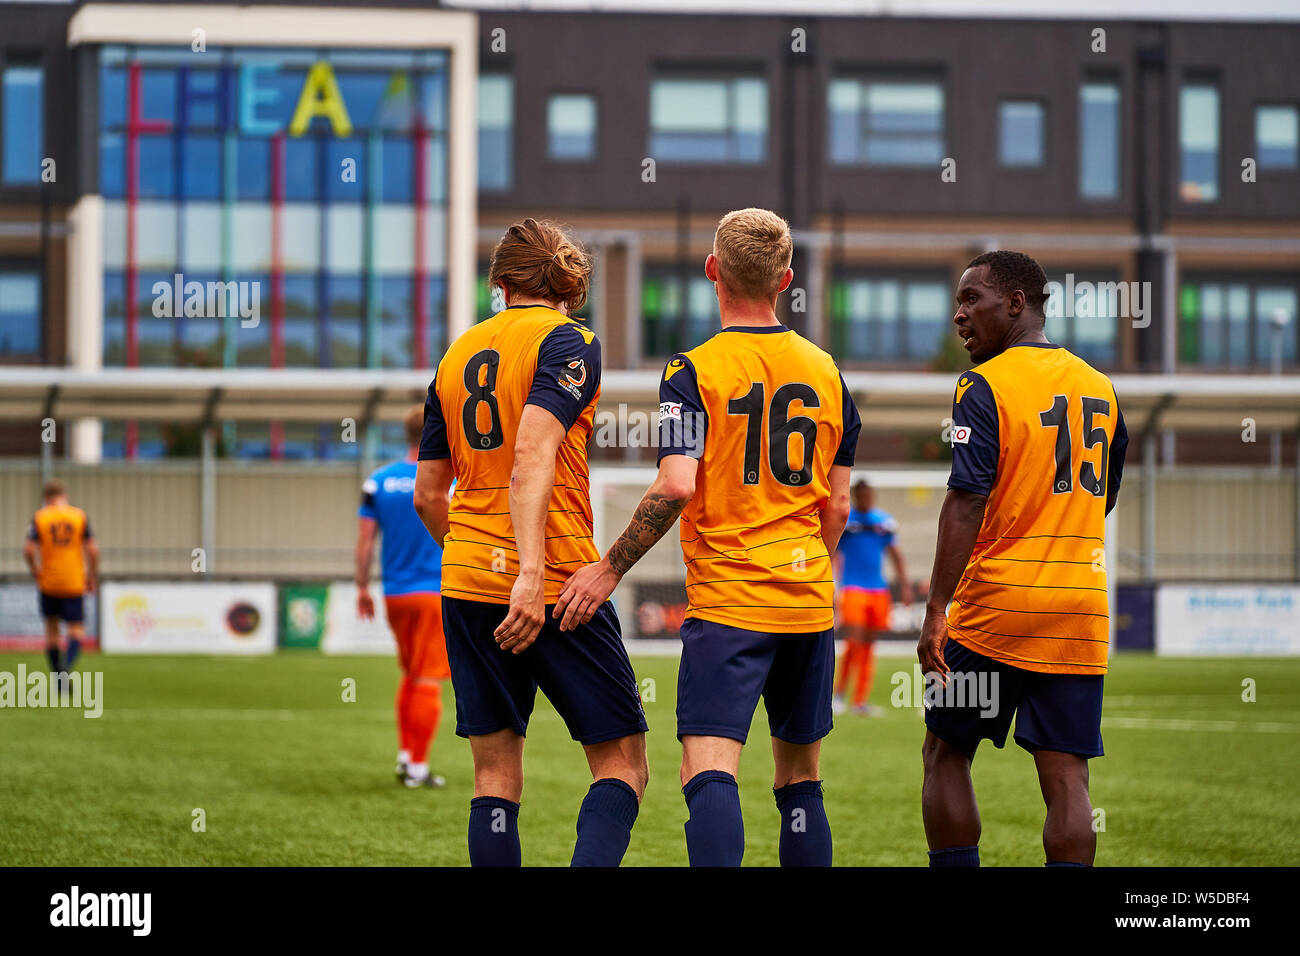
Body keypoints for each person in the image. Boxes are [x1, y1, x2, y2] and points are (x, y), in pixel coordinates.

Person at [556, 208, 860, 867]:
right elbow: (836, 505)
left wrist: (607, 570)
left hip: (730, 604)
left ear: (712, 272)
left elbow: (675, 485)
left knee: (708, 772)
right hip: (808, 601)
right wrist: (809, 567)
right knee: (801, 782)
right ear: (785, 281)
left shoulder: (693, 370)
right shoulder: (828, 371)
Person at [414, 218, 648, 867]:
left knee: (493, 778)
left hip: (466, 580)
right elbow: (532, 453)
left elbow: (428, 496)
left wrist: (475, 560)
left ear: (502, 280)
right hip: (556, 581)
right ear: (565, 284)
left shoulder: (456, 354)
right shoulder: (570, 341)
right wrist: (527, 573)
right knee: (622, 765)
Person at [917, 251, 1128, 867]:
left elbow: (965, 503)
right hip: (1079, 614)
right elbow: (1104, 499)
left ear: (1016, 303)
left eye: (970, 300)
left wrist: (936, 609)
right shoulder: (1102, 387)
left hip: (995, 614)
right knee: (1067, 777)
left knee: (947, 751)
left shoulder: (984, 386)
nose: (959, 315)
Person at [357, 404, 450, 789]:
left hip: (395, 593)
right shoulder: (448, 483)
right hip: (434, 592)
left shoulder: (377, 481)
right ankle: (418, 768)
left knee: (411, 674)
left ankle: (404, 755)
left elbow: (364, 543)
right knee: (429, 679)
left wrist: (362, 586)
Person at [833, 479, 912, 716]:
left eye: (870, 495)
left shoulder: (883, 522)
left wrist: (904, 585)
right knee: (854, 641)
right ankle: (838, 695)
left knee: (869, 644)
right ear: (856, 496)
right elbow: (832, 549)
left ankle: (860, 701)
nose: (867, 499)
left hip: (878, 589)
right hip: (853, 588)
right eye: (863, 495)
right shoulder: (848, 521)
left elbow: (895, 554)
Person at [24, 479, 99, 688]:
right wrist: (91, 575)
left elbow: (29, 550)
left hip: (48, 581)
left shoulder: (40, 517)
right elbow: (93, 549)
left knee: (51, 632)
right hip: (74, 582)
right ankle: (66, 666)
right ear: (64, 495)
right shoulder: (79, 516)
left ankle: (58, 674)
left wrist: (35, 571)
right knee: (76, 631)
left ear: (46, 498)